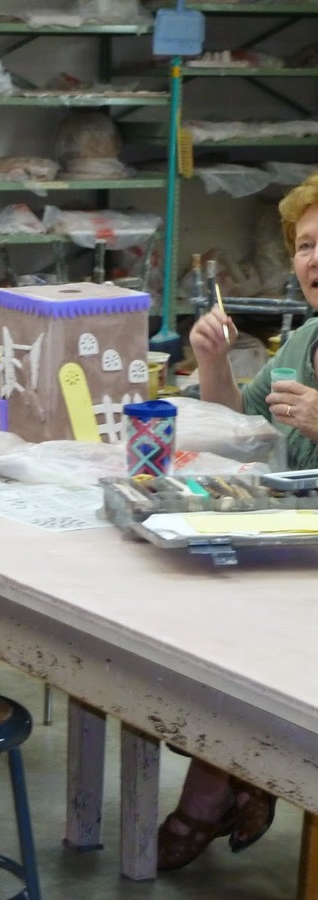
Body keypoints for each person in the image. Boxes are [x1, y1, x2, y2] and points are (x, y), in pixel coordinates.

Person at [158, 171, 318, 870]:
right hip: (291, 542)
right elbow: (235, 426)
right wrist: (212, 360)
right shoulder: (302, 340)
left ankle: (216, 789)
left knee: (248, 638)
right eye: (307, 245)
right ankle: (243, 771)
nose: (315, 259)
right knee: (191, 616)